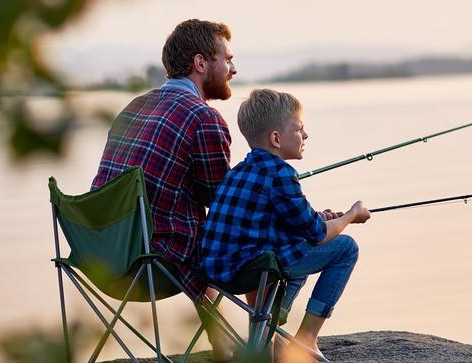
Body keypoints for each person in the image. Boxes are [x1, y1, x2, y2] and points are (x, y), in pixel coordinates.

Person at [90, 19, 237, 360]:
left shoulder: (133, 106)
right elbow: (223, 206)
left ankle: (225, 345)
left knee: (201, 234)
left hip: (101, 255)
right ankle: (255, 347)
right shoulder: (203, 118)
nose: (233, 69)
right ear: (201, 63)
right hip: (150, 264)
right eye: (227, 59)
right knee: (246, 237)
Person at [201, 89, 371, 358]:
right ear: (276, 138)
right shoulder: (281, 173)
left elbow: (283, 219)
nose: (305, 136)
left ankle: (269, 331)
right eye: (299, 129)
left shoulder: (238, 171)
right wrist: (351, 215)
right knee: (345, 248)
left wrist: (321, 218)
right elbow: (316, 233)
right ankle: (306, 338)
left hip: (217, 272)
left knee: (297, 244)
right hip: (252, 271)